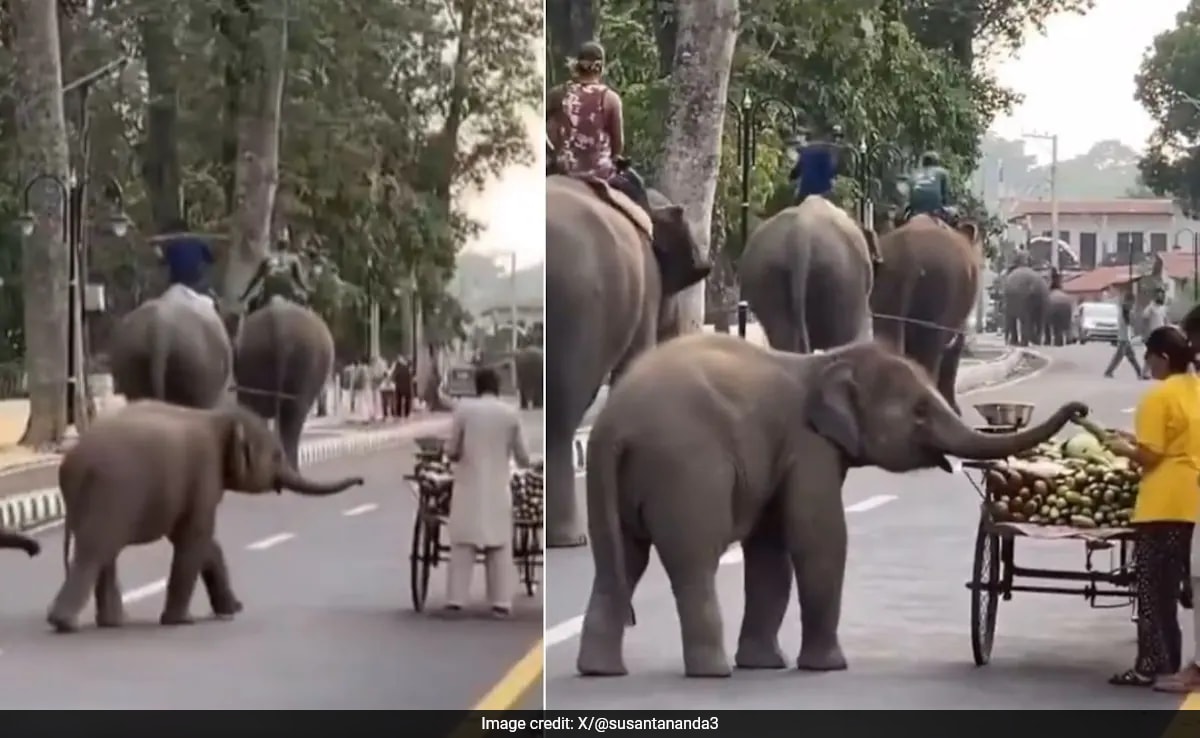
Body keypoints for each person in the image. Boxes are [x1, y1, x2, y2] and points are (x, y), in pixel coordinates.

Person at [1102, 325, 1200, 687]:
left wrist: (1121, 448)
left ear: (1162, 358)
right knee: (1178, 587)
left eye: (1148, 357)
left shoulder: (1158, 397)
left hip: (1162, 505)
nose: (1146, 364)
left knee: (1154, 592)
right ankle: (1172, 662)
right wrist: (1134, 440)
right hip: (1193, 504)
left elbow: (1151, 455)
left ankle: (1151, 665)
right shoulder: (1196, 389)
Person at [443, 366, 532, 617]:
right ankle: (501, 603)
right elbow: (523, 458)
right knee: (500, 546)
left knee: (462, 544)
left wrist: (453, 453)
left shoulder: (464, 410)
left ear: (476, 387)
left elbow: (451, 450)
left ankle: (456, 600)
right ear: (498, 387)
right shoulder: (510, 414)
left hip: (467, 485)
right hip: (498, 487)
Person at [546, 41, 649, 211]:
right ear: (601, 68)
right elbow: (618, 146)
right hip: (600, 174)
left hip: (561, 171)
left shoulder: (557, 95)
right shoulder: (610, 99)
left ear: (575, 66)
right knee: (637, 188)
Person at [157, 218, 215, 297]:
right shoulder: (198, 242)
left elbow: (164, 262)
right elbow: (210, 259)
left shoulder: (172, 247)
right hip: (198, 282)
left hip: (179, 285)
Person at [788, 125, 842, 205]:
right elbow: (831, 173)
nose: (837, 139)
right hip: (823, 193)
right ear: (827, 135)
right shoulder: (830, 152)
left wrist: (791, 177)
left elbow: (797, 170)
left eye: (838, 137)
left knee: (794, 209)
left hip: (805, 192)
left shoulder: (809, 149)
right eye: (835, 136)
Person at [904, 151, 953, 223]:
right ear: (936, 162)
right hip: (935, 209)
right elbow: (945, 194)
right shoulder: (942, 172)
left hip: (916, 210)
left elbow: (910, 194)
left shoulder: (914, 173)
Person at [1104, 292, 1144, 379]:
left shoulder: (1124, 310)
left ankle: (1139, 373)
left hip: (1125, 338)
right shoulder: (1125, 310)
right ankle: (1108, 372)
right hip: (1124, 338)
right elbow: (1129, 323)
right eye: (1132, 302)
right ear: (1129, 301)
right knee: (1121, 357)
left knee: (1131, 357)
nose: (1132, 304)